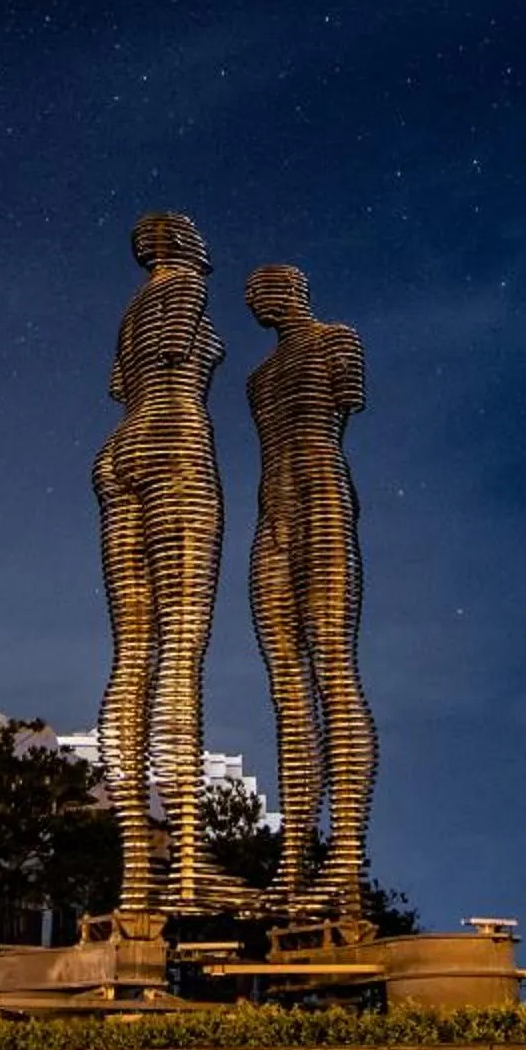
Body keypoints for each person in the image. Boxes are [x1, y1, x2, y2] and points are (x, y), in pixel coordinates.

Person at [91, 212, 223, 912]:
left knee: (130, 655)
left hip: (118, 448)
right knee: (180, 647)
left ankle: (138, 870)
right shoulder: (184, 292)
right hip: (173, 438)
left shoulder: (128, 309)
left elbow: (120, 384)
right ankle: (189, 866)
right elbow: (178, 353)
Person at [244, 262, 373, 922]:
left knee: (332, 665)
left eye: (264, 288)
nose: (254, 300)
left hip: (320, 489)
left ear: (293, 288)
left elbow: (341, 415)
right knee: (286, 690)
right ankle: (294, 857)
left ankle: (344, 857)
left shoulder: (337, 340)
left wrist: (309, 504)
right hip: (272, 510)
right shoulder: (258, 378)